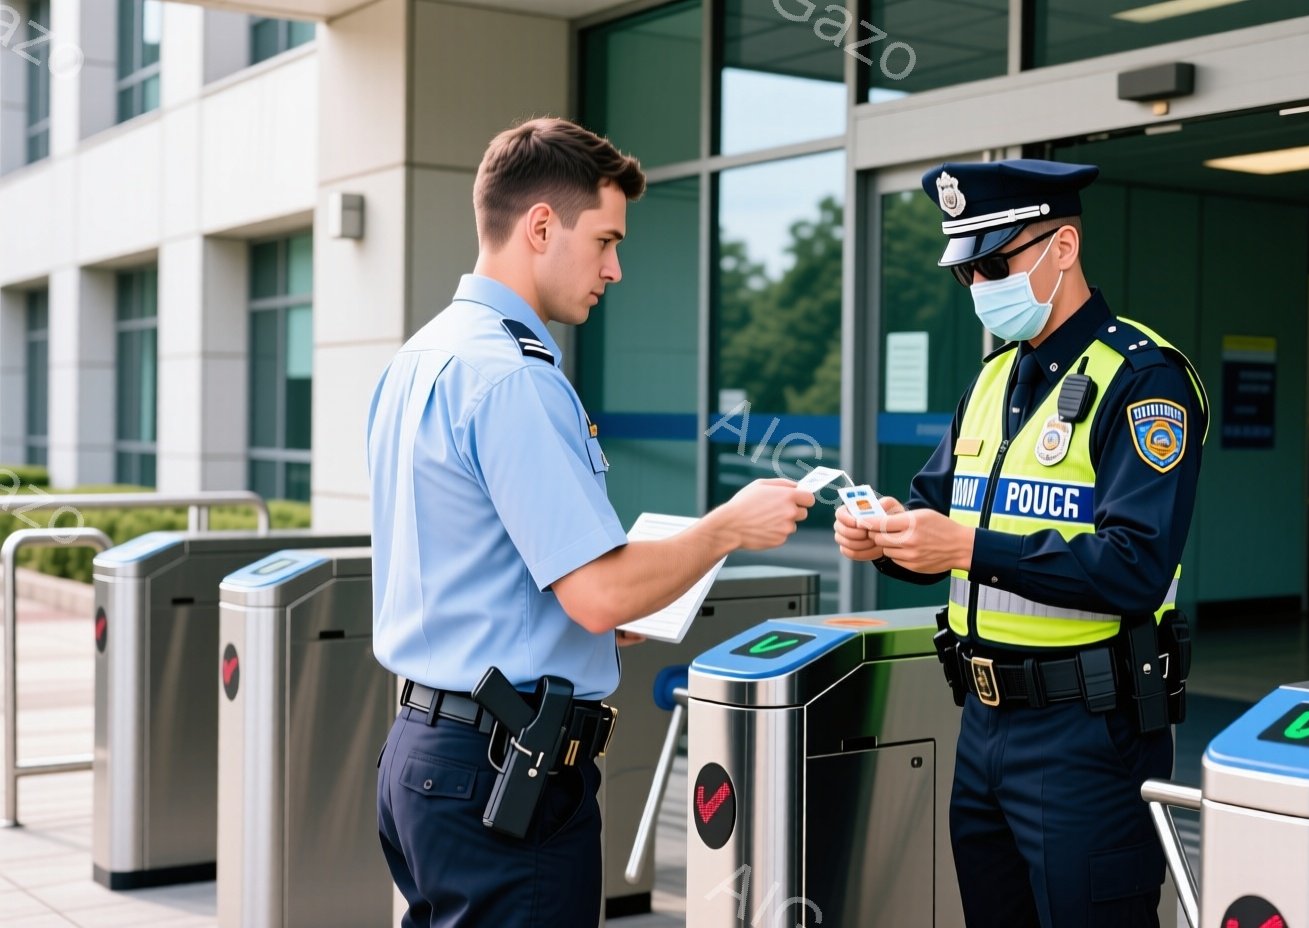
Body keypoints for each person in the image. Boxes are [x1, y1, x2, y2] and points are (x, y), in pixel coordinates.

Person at [366, 116, 813, 927]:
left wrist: (588, 631)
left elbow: (478, 566)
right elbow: (599, 593)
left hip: (424, 756)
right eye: (605, 240)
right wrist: (726, 527)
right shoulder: (513, 379)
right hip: (503, 773)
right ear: (542, 227)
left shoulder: (422, 358)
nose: (615, 268)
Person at [834, 158, 1209, 927]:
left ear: (1062, 247)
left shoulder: (1144, 381)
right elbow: (934, 516)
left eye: (995, 263)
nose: (978, 287)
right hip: (983, 726)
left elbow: (1134, 567)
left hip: (1090, 735)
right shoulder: (993, 379)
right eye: (966, 271)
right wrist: (882, 538)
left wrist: (966, 547)